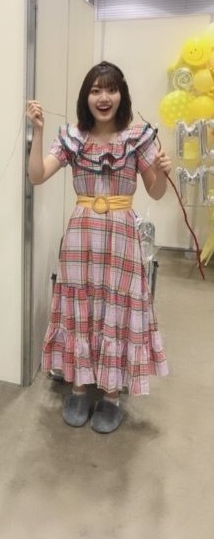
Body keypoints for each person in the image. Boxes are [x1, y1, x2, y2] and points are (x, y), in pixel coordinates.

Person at [27, 61, 171, 434]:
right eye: (95, 90)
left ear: (121, 95)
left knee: (116, 309)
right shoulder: (72, 137)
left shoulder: (138, 138)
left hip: (121, 236)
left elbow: (156, 191)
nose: (103, 98)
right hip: (81, 234)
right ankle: (78, 388)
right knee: (81, 307)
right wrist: (37, 131)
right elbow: (37, 175)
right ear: (86, 97)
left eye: (110, 89)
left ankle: (111, 396)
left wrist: (162, 170)